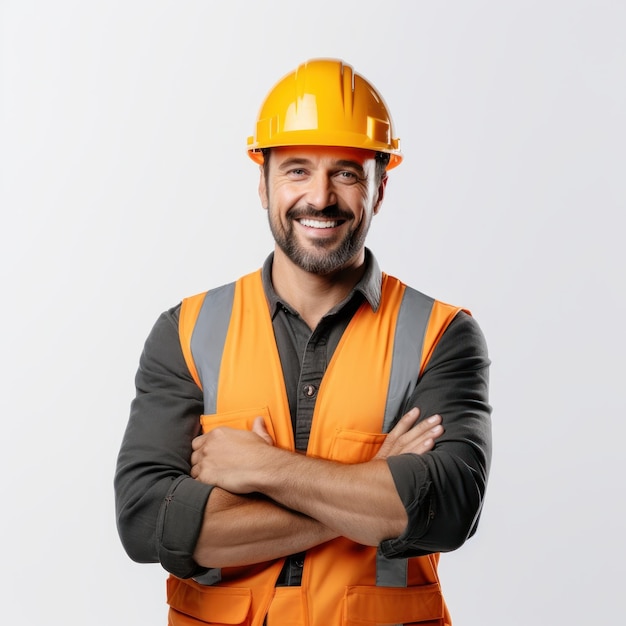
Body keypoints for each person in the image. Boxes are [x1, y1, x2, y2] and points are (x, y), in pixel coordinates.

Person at [114, 58, 492, 626]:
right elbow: (148, 521)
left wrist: (265, 469)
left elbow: (445, 508)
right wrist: (369, 492)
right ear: (262, 182)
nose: (320, 197)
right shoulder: (187, 331)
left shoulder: (440, 334)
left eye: (345, 172)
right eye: (296, 170)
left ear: (380, 187)